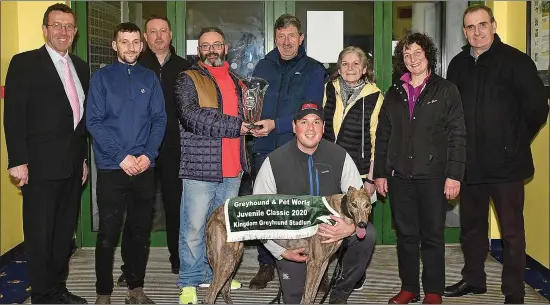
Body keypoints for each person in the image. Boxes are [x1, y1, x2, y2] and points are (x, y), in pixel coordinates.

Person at [443, 5, 549, 304]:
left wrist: (514, 141)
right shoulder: (458, 64)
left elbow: (539, 109)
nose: (476, 32)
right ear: (464, 31)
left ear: (493, 25)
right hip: (471, 164)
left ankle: (514, 294)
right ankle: (474, 279)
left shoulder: (517, 61)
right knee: (471, 228)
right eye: (470, 27)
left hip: (507, 165)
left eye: (482, 25)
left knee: (512, 234)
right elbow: (452, 113)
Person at [3, 3, 89, 304]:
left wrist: (83, 160)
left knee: (63, 236)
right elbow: (13, 116)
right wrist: (17, 161)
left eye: (68, 26)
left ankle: (57, 288)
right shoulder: (24, 63)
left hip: (71, 166)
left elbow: (79, 121)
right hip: (38, 167)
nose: (63, 31)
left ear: (75, 31)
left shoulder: (80, 66)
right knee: (40, 237)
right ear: (45, 29)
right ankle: (41, 295)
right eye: (57, 25)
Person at [373, 32, 466, 304]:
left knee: (433, 236)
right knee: (406, 236)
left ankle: (434, 291)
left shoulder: (446, 90)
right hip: (400, 176)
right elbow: (383, 134)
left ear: (428, 55)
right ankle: (410, 288)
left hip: (434, 177)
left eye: (417, 52)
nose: (412, 58)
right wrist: (380, 172)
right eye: (406, 54)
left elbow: (457, 135)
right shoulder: (394, 92)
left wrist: (454, 175)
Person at [254, 102, 376, 304]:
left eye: (316, 122)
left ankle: (340, 292)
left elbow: (362, 199)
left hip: (332, 234)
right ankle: (304, 272)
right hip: (294, 240)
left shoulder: (340, 156)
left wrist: (351, 227)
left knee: (367, 234)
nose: (310, 128)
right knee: (295, 298)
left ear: (323, 127)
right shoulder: (274, 161)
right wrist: (281, 251)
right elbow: (258, 215)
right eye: (304, 122)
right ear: (294, 127)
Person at [86, 22, 167, 304]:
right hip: (112, 167)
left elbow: (159, 120)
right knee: (108, 232)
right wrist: (121, 156)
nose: (130, 47)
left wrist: (148, 154)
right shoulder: (101, 78)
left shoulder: (149, 79)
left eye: (135, 42)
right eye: (124, 42)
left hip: (145, 167)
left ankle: (136, 288)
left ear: (141, 45)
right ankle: (103, 293)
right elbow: (93, 122)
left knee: (139, 231)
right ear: (114, 45)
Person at [249, 13, 328, 290]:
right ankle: (266, 262)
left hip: (296, 149)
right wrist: (252, 124)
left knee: (302, 208)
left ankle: (313, 263)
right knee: (265, 208)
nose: (286, 41)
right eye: (281, 36)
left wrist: (276, 125)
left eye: (291, 36)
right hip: (263, 148)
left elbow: (311, 111)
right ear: (275, 38)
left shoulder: (314, 69)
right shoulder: (263, 65)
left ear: (301, 38)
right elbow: (253, 102)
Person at [114, 16, 190, 287]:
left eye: (163, 31)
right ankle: (130, 267)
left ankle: (178, 258)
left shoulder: (186, 68)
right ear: (145, 37)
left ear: (171, 35)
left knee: (176, 207)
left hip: (175, 149)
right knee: (135, 212)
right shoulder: (134, 66)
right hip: (138, 151)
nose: (158, 37)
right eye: (152, 32)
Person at [175, 27, 249, 304]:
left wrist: (256, 124)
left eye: (217, 44)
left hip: (233, 169)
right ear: (199, 50)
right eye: (206, 46)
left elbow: (248, 116)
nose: (212, 50)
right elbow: (191, 117)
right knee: (194, 229)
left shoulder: (239, 81)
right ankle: (190, 281)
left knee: (225, 229)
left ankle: (218, 275)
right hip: (200, 168)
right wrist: (238, 126)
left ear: (225, 48)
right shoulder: (188, 79)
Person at [322, 46, 384, 291]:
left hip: (359, 172)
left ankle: (353, 274)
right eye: (345, 64)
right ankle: (328, 269)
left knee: (358, 228)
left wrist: (371, 177)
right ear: (339, 68)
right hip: (330, 169)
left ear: (364, 69)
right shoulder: (329, 89)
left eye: (355, 64)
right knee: (331, 222)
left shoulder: (375, 97)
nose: (350, 68)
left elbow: (378, 140)